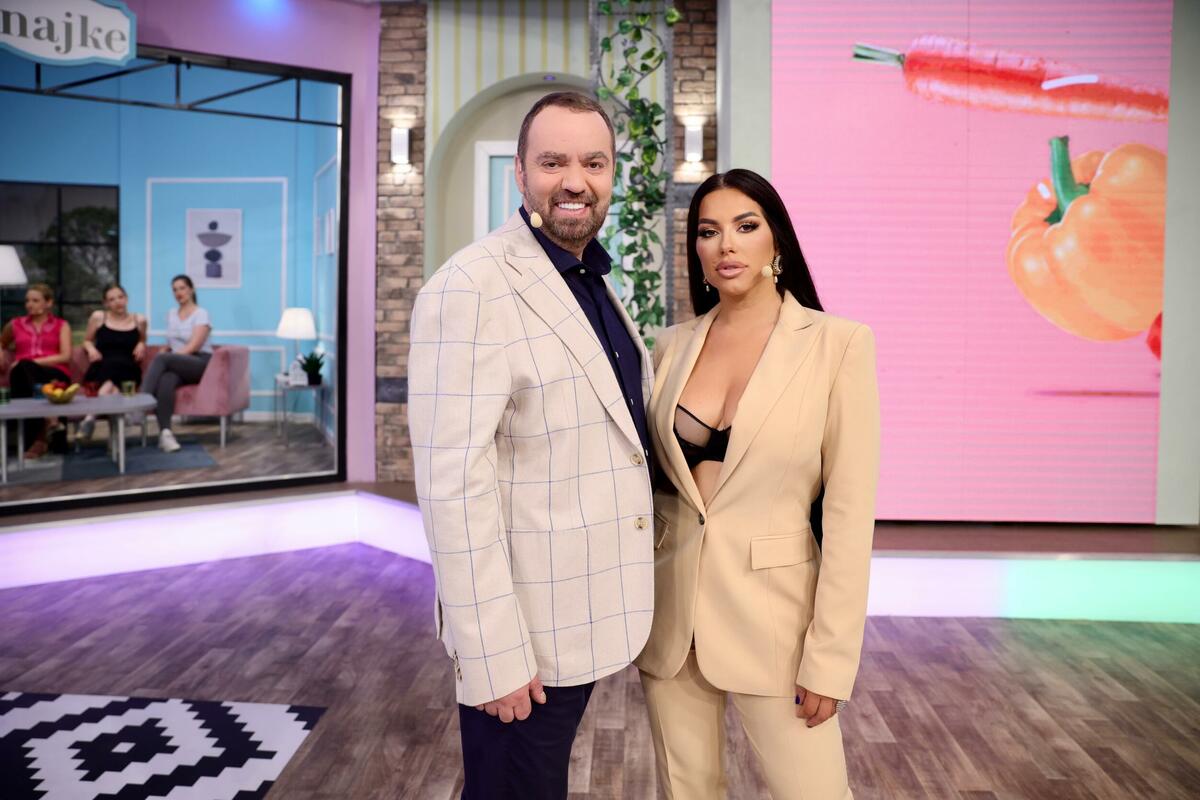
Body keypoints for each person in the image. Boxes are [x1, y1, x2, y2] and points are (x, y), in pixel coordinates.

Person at [408, 91, 655, 799]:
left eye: (594, 163)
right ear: (519, 172)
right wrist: (493, 653)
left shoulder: (589, 278)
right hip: (523, 643)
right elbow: (454, 489)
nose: (575, 181)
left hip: (580, 614)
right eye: (553, 162)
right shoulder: (471, 288)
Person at [635, 169, 880, 800]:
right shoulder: (670, 347)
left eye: (746, 226)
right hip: (675, 623)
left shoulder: (838, 345)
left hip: (778, 626)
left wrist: (831, 660)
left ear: (777, 240)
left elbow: (850, 517)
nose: (726, 245)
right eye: (708, 231)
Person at [0, 283, 73, 459]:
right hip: (23, 376)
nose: (29, 304)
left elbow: (65, 356)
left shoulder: (62, 325)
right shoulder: (15, 324)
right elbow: (2, 341)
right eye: (27, 301)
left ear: (48, 303)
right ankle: (49, 423)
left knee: (25, 366)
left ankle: (39, 440)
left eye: (35, 300)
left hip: (55, 372)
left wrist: (31, 361)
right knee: (23, 373)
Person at [141, 274, 211, 453]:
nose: (178, 293)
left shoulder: (201, 313)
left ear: (191, 289)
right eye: (175, 290)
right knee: (166, 380)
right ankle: (166, 434)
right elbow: (172, 342)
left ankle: (140, 402)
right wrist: (166, 350)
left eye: (182, 288)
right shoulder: (172, 314)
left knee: (162, 359)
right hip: (178, 364)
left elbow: (193, 346)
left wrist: (167, 357)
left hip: (199, 362)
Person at [78, 283, 148, 441]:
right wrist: (91, 349)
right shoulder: (98, 317)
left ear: (126, 299)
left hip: (128, 369)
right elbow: (87, 340)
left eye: (120, 297)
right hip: (102, 366)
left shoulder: (139, 320)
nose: (117, 302)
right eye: (112, 299)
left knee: (115, 374)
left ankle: (90, 418)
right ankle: (116, 438)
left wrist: (141, 344)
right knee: (113, 387)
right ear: (106, 303)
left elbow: (143, 339)